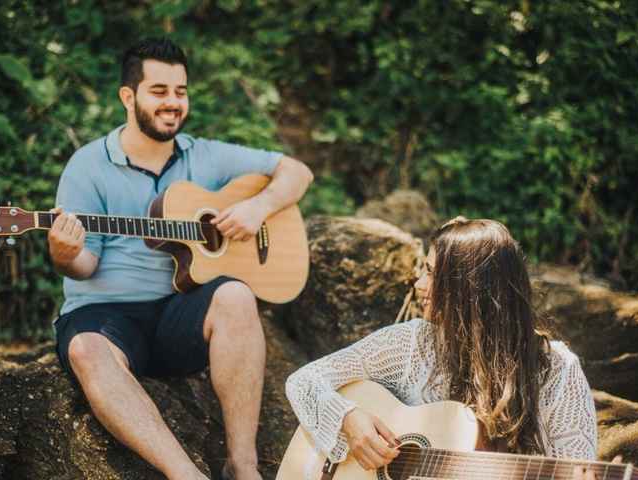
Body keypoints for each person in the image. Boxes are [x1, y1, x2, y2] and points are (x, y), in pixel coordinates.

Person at [48, 37, 313, 480]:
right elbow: (84, 266)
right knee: (85, 349)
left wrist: (257, 208)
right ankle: (186, 474)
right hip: (108, 318)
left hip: (180, 316)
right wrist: (64, 254)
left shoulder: (206, 155)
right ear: (128, 97)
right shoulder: (88, 165)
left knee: (235, 295)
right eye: (159, 91)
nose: (173, 103)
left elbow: (297, 171)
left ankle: (242, 466)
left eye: (181, 91)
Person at [286, 217, 602, 479]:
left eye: (431, 274)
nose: (419, 284)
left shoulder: (556, 370)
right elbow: (305, 381)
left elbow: (577, 465)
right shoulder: (410, 344)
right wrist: (349, 418)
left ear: (467, 289)